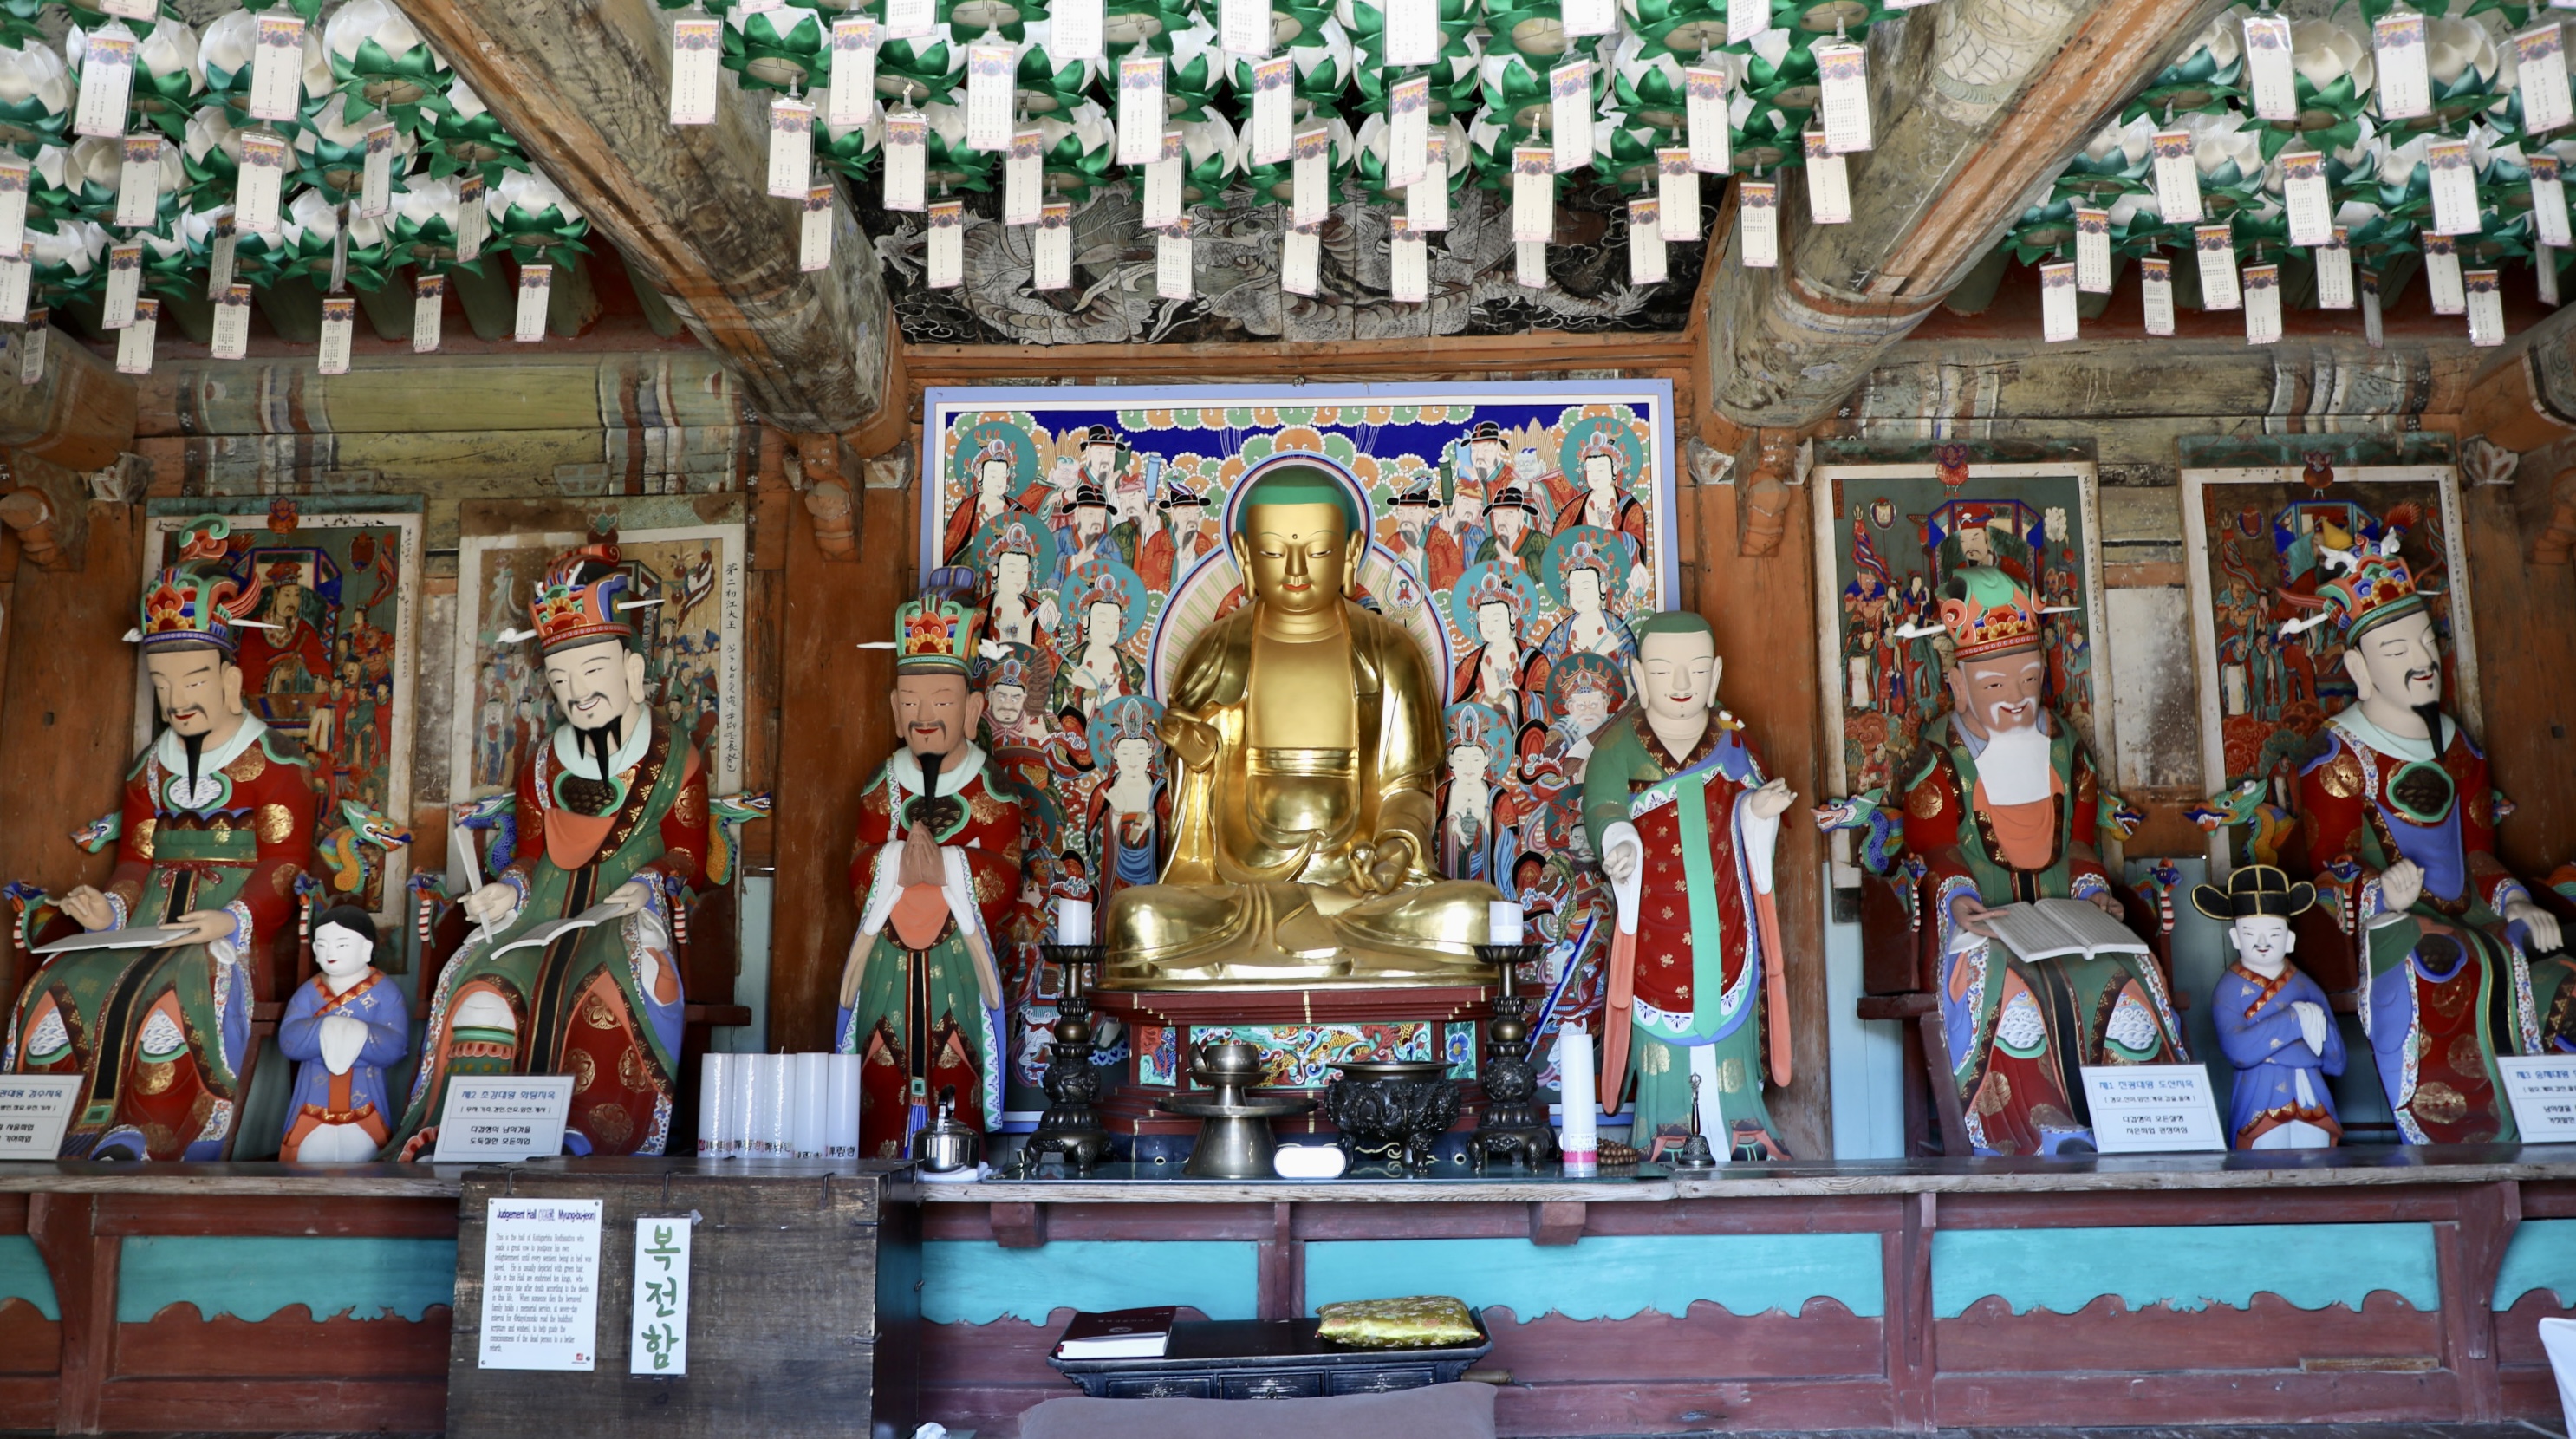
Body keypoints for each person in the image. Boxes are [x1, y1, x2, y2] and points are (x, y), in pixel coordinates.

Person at [1102, 463, 1500, 986]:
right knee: (1139, 919)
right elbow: (1194, 847)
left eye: (1317, 551)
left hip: (1360, 896)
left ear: (1351, 552)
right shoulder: (1214, 653)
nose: (1294, 569)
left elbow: (1409, 789)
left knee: (1475, 913)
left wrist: (1395, 851)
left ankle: (1290, 953)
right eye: (1272, 552)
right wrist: (1199, 767)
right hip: (1244, 895)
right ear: (1244, 554)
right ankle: (1308, 948)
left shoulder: (1392, 653)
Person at [3, 517, 318, 1160]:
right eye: (161, 683)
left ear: (230, 680)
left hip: (226, 932)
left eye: (193, 680)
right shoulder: (149, 769)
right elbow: (134, 862)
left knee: (177, 992)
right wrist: (110, 909)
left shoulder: (277, 766)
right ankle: (51, 1134)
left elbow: (285, 867)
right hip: (146, 919)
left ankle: (159, 1137)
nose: (176, 699)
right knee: (62, 978)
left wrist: (231, 920)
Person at [389, 544, 704, 1158]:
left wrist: (650, 882)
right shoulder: (542, 761)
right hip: (543, 908)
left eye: (592, 672)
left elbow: (691, 855)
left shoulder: (675, 759)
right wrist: (507, 889)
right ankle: (472, 1141)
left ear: (633, 671)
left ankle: (596, 1140)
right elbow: (531, 852)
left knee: (618, 982)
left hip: (626, 907)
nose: (577, 694)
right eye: (560, 681)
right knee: (480, 984)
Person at [2286, 536, 2567, 1143]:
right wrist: (2377, 890)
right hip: (2393, 923)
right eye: (2397, 650)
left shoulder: (2459, 746)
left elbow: (2478, 852)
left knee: (2558, 967)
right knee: (2438, 961)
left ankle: (2551, 1121)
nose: (2422, 660)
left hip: (2475, 910)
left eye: (2427, 642)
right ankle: (2456, 1132)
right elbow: (2327, 867)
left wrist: (2516, 902)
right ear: (2359, 670)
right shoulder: (2336, 756)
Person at [1897, 565, 2185, 1156]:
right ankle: (2031, 1125)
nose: (2016, 698)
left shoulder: (2064, 749)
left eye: (2029, 679)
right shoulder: (1941, 758)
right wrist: (1959, 899)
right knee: (2008, 988)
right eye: (1995, 685)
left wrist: (2092, 893)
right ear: (1958, 685)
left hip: (2064, 921)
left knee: (2127, 974)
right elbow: (1933, 849)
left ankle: (2148, 1120)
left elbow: (2080, 843)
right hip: (1984, 924)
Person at [1584, 611, 1794, 1160]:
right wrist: (1618, 842)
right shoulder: (1617, 747)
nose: (1681, 684)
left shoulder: (1732, 741)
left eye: (1697, 670)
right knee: (1662, 1034)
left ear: (1716, 674)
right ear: (1638, 676)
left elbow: (1746, 803)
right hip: (1656, 919)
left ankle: (1742, 1125)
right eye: (1662, 671)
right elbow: (1603, 807)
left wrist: (1758, 810)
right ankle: (1665, 1126)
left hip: (1725, 919)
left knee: (1731, 1028)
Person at [837, 590, 1023, 1156]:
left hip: (956, 960)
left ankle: (956, 1162)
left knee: (955, 1061)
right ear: (895, 711)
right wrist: (894, 863)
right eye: (911, 702)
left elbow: (1008, 874)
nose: (924, 717)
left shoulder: (991, 787)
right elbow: (857, 868)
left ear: (971, 710)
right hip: (888, 961)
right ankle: (880, 1163)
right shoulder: (882, 785)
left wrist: (947, 865)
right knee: (880, 1066)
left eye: (942, 701)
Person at [2197, 865, 2343, 1149]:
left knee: (2317, 1161)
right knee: (2266, 1161)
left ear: (2289, 940)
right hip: (2260, 1094)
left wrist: (2314, 1028)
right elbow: (2238, 1050)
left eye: (2274, 934)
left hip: (2310, 1091)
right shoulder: (2229, 988)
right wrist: (2295, 1020)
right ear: (2236, 938)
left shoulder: (2305, 986)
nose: (2262, 943)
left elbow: (2336, 1061)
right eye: (2250, 934)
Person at [276, 906, 410, 1162]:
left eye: (341, 945)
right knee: (307, 1158)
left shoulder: (385, 991)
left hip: (365, 1092)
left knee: (366, 1157)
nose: (330, 953)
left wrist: (358, 1033)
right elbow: (289, 1039)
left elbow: (395, 1045)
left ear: (366, 949)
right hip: (314, 1094)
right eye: (322, 945)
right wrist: (325, 1030)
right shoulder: (309, 991)